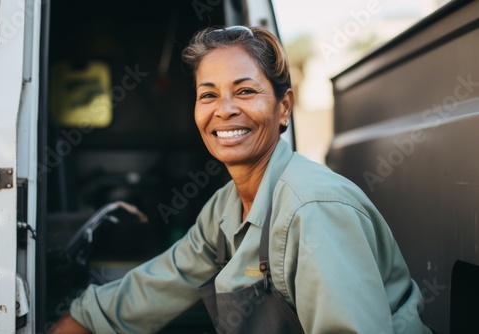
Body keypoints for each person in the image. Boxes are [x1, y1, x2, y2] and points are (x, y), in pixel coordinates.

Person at [51, 25, 432, 334]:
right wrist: (84, 318)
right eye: (208, 95)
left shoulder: (313, 210)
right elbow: (166, 279)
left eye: (245, 91)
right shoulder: (226, 206)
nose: (225, 110)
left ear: (284, 108)